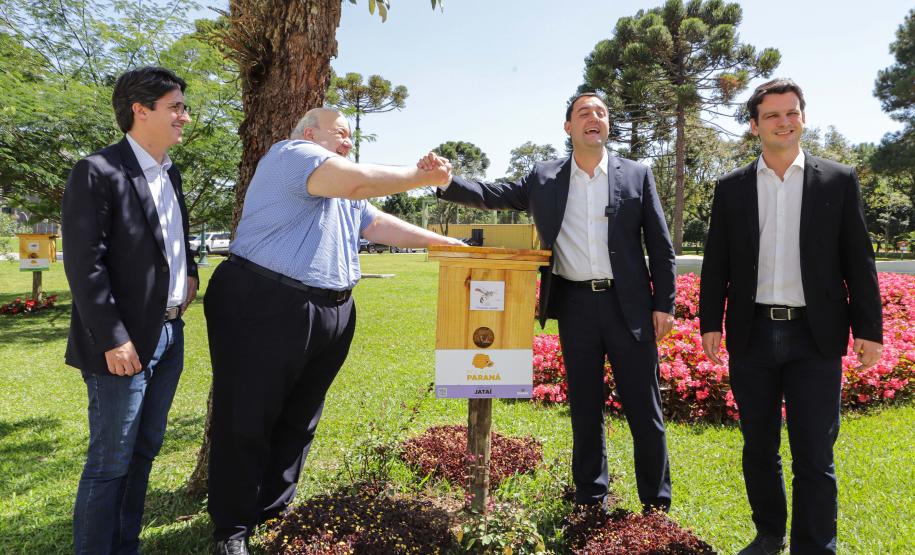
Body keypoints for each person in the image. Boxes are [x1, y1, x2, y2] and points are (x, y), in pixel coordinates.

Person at [204, 107, 463, 555]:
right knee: (246, 415)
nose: (348, 141)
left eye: (349, 137)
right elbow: (359, 180)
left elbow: (377, 223)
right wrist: (422, 178)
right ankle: (232, 527)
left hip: (332, 308)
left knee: (300, 416)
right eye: (340, 133)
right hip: (266, 299)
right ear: (310, 132)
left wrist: (442, 242)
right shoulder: (292, 154)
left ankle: (273, 509)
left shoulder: (341, 188)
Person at [426, 92, 677, 512]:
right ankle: (591, 498)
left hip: (628, 307)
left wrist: (663, 303)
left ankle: (656, 505)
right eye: (583, 113)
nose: (592, 118)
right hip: (576, 306)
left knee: (644, 409)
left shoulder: (636, 175)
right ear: (568, 127)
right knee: (584, 407)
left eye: (600, 113)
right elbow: (494, 193)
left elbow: (661, 245)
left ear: (607, 126)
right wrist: (446, 183)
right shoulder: (544, 177)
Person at [699, 78, 883, 554]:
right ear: (755, 125)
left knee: (815, 454)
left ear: (803, 116)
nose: (784, 122)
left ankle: (815, 544)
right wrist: (709, 322)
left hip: (815, 337)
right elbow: (716, 259)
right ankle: (769, 534)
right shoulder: (732, 187)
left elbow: (857, 260)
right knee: (759, 448)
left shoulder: (837, 180)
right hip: (752, 334)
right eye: (773, 115)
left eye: (792, 113)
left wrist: (868, 329)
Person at [62, 66, 198, 554]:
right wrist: (114, 337)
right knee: (110, 462)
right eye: (175, 107)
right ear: (140, 110)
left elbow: (174, 241)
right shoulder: (97, 171)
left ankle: (126, 546)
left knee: (143, 453)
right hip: (122, 344)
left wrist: (191, 277)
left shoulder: (170, 172)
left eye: (183, 106)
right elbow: (84, 266)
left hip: (169, 335)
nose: (185, 116)